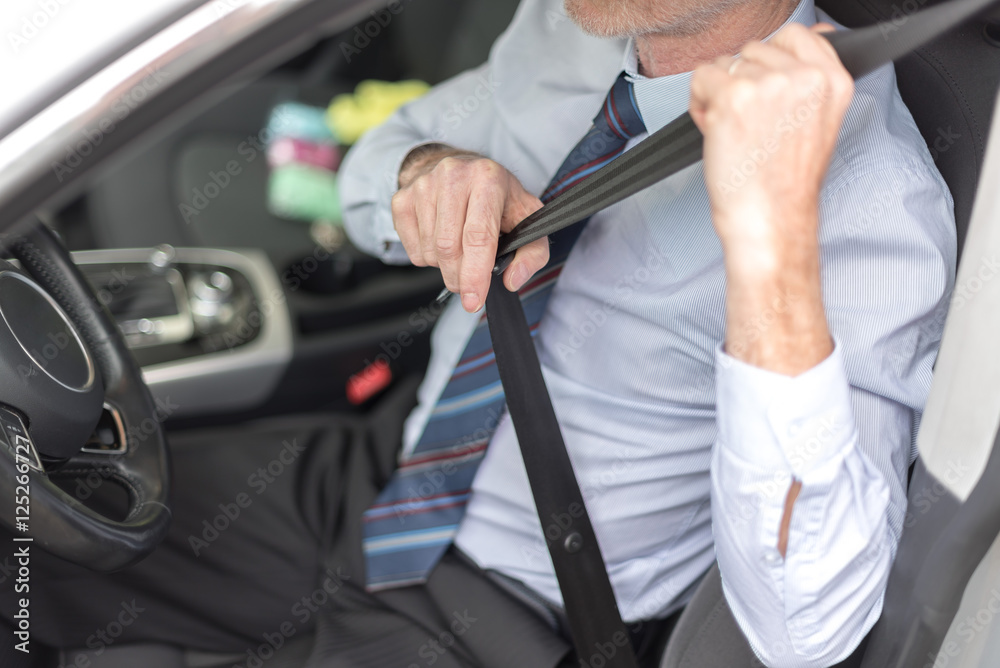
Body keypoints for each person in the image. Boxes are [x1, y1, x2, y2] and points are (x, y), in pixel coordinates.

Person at [1, 0, 954, 667]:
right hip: (367, 479)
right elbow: (378, 155)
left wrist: (771, 240)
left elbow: (808, 627)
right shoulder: (568, 24)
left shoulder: (878, 209)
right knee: (37, 533)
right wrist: (428, 167)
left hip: (510, 612)